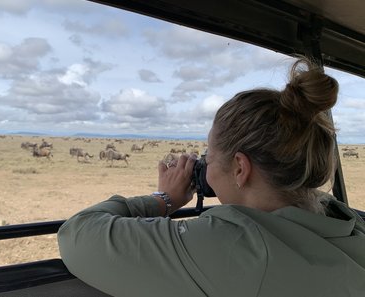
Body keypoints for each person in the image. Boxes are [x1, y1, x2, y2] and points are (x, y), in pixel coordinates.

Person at [57, 58, 365, 297]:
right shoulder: (350, 222)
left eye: (209, 156)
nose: (205, 165)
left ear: (240, 169)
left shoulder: (236, 245)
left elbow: (76, 235)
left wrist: (164, 200)